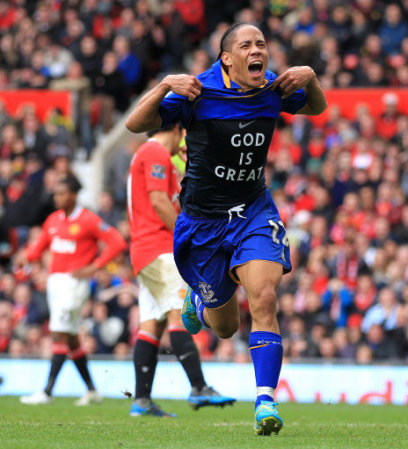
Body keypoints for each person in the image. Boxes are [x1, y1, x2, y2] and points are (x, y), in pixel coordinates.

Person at [126, 23, 327, 435]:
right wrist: (165, 85)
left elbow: (316, 108)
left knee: (265, 297)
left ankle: (265, 401)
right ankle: (200, 302)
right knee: (225, 327)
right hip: (203, 223)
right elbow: (133, 123)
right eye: (246, 45)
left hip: (254, 210)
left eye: (262, 44)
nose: (257, 50)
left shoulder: (274, 87)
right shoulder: (197, 91)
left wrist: (312, 78)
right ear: (227, 58)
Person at [127, 123, 235, 417]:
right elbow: (159, 201)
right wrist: (183, 240)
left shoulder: (148, 155)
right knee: (178, 313)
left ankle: (141, 400)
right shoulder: (155, 153)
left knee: (152, 324)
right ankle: (199, 387)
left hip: (144, 251)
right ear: (177, 128)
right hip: (159, 249)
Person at [18, 174, 127, 405]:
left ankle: (46, 392)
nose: (56, 197)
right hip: (55, 283)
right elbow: (37, 250)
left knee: (59, 332)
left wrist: (94, 267)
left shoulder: (88, 219)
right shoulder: (53, 220)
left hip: (74, 284)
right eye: (55, 193)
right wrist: (24, 257)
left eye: (61, 193)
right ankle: (91, 390)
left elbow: (118, 242)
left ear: (74, 195)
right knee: (71, 337)